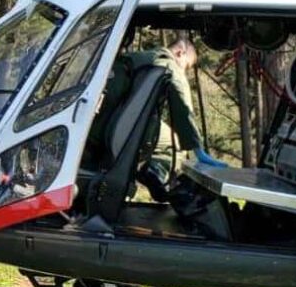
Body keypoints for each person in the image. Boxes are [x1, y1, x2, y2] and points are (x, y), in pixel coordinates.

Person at [91, 38, 225, 202]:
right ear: (180, 52)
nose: (184, 71)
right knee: (173, 143)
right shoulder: (168, 63)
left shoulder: (137, 58)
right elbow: (183, 106)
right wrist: (196, 148)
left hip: (97, 124)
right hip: (118, 127)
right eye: (187, 66)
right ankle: (155, 172)